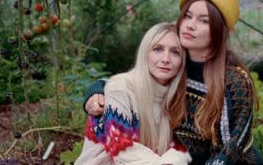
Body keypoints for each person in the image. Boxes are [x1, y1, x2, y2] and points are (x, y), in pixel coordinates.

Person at [83, 0, 263, 164]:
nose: (191, 25)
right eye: (187, 16)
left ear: (220, 31)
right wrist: (97, 88)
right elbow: (134, 84)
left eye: (204, 21)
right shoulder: (175, 68)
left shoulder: (234, 82)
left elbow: (233, 147)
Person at [75, 22, 192, 165]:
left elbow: (184, 148)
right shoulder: (120, 89)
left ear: (183, 60)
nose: (165, 59)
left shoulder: (179, 99)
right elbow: (121, 149)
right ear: (145, 53)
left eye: (175, 52)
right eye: (158, 49)